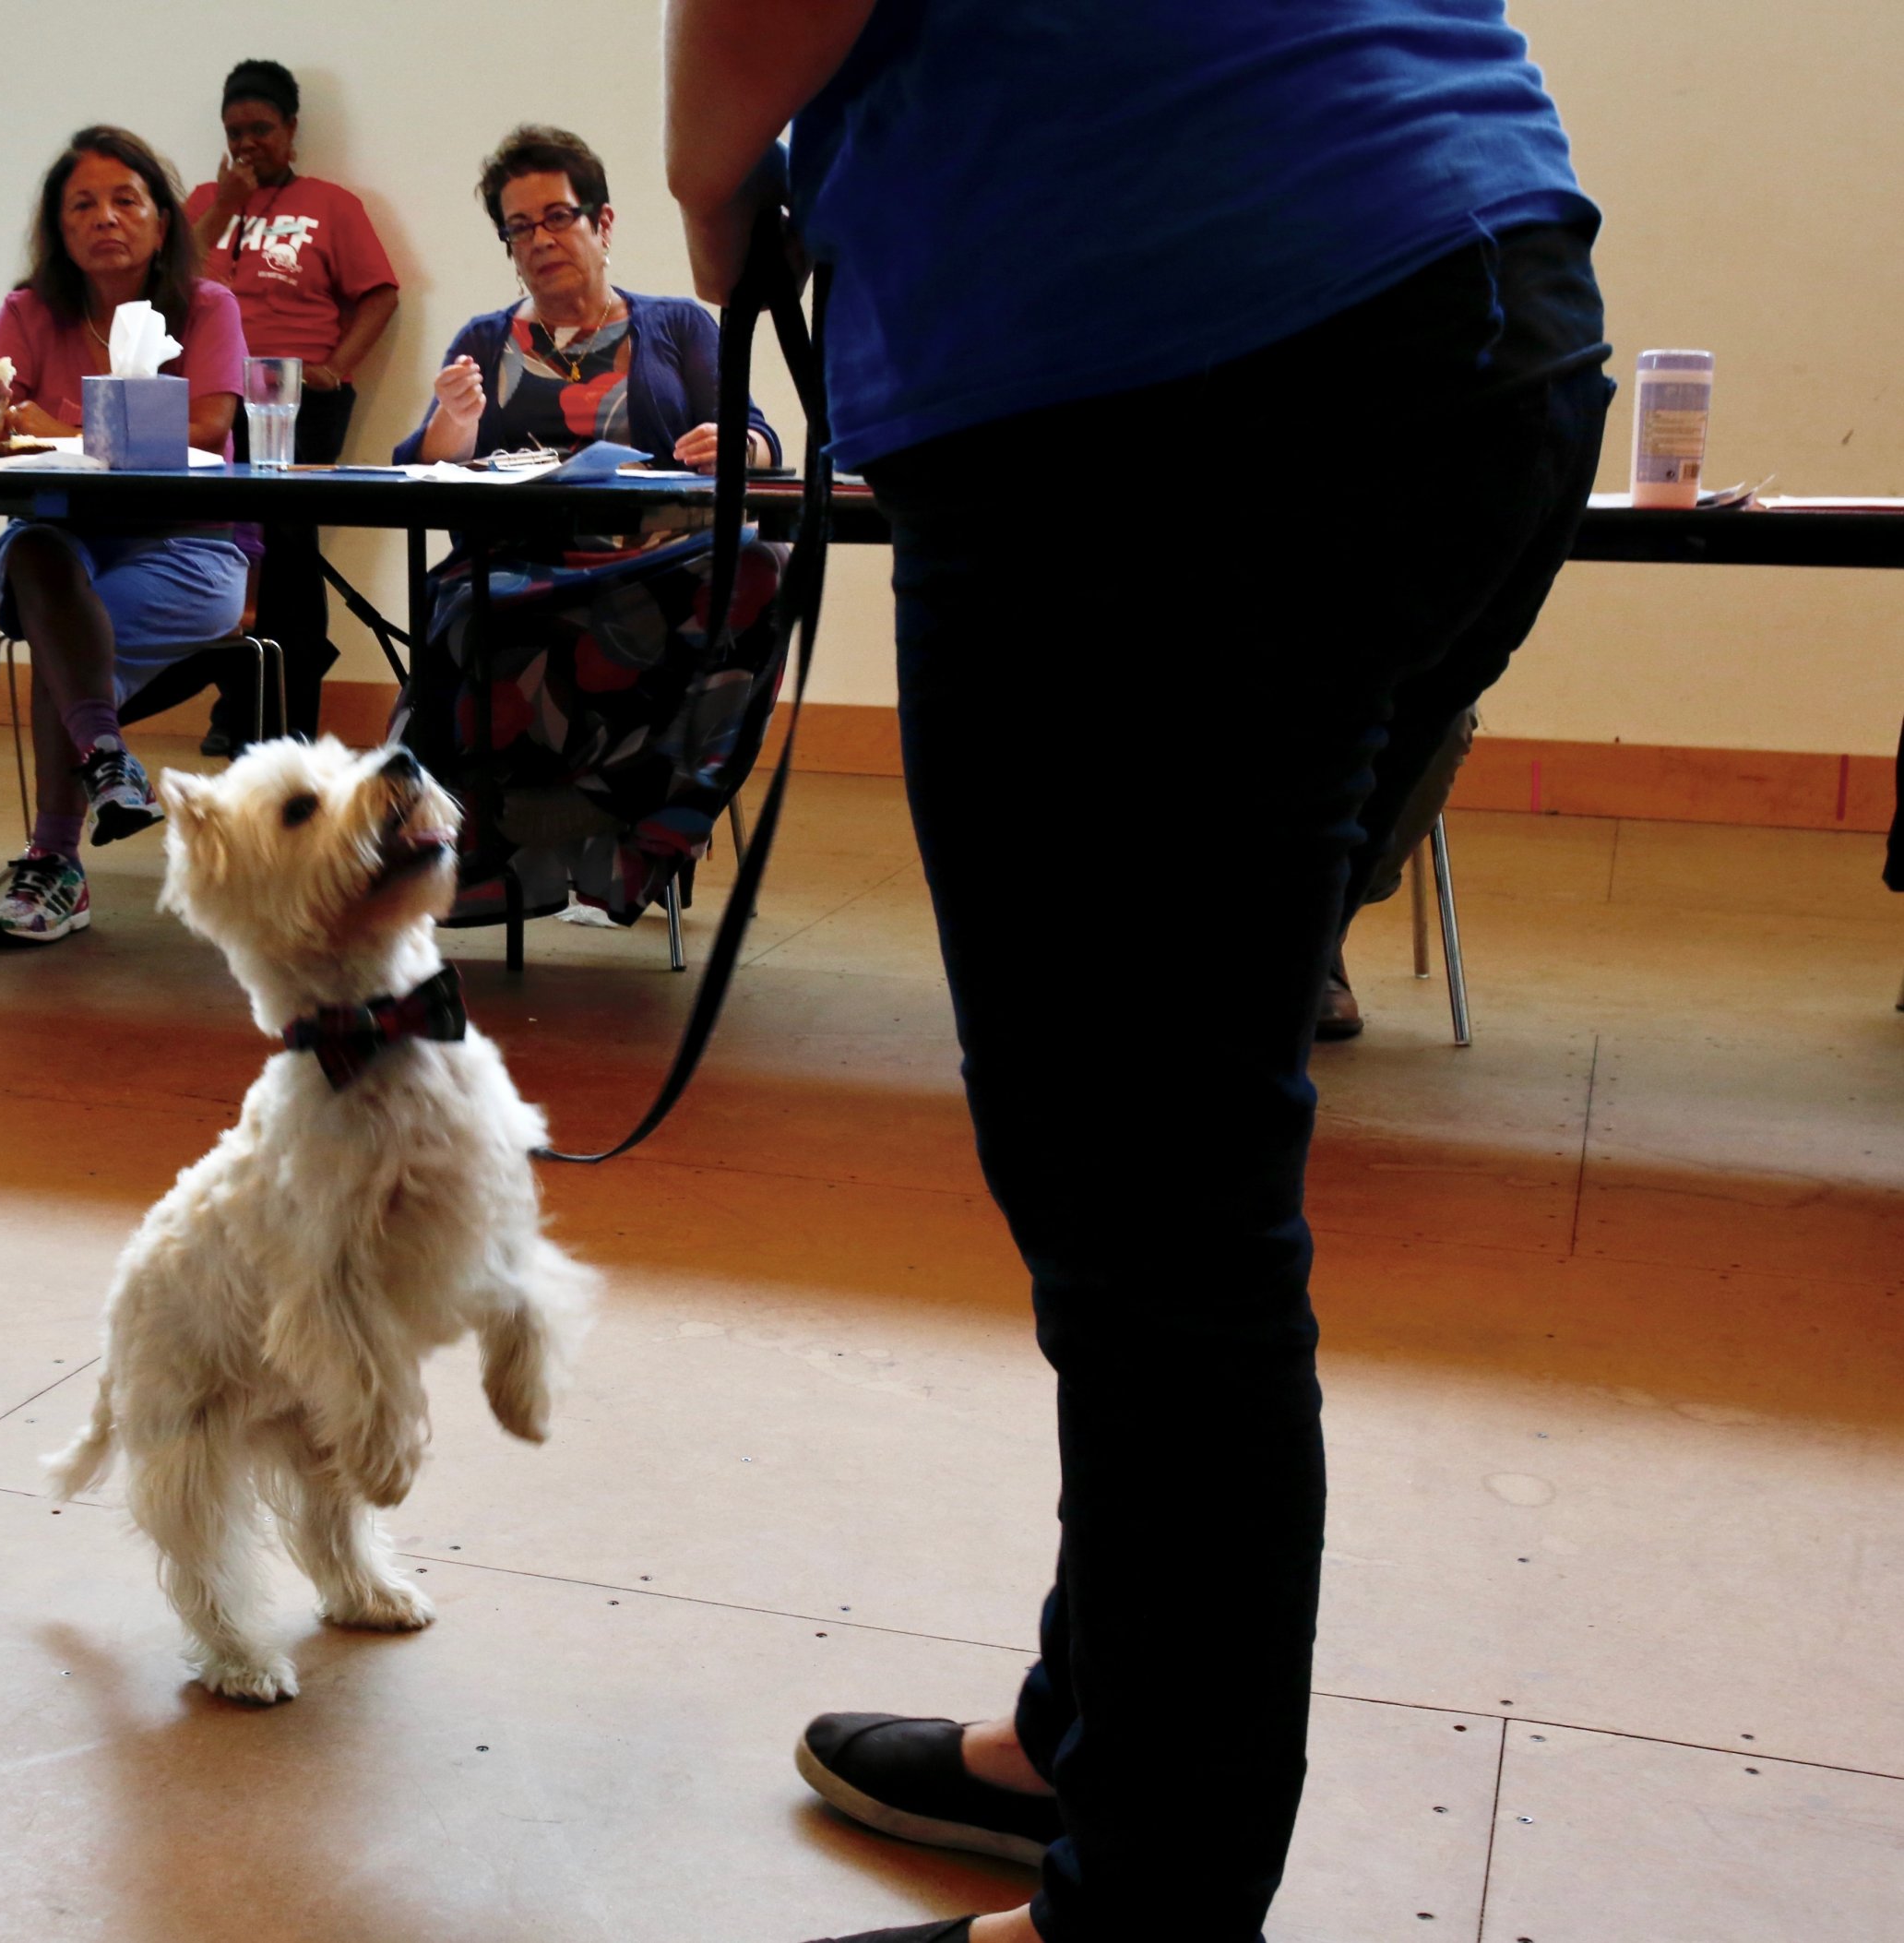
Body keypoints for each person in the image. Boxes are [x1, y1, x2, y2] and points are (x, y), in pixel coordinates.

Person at [664, 6, 1611, 1942]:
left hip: (1164, 370)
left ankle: (1147, 1913)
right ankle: (1092, 1736)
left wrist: (712, 185)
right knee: (1168, 1137)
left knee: (1158, 1219)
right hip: (1478, 300)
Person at [391, 125, 785, 925]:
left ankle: (647, 832)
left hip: (656, 566)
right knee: (460, 611)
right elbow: (424, 471)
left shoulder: (677, 327)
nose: (540, 240)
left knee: (765, 566)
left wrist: (734, 442)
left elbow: (760, 438)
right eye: (520, 228)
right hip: (519, 569)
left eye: (557, 217)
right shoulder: (485, 341)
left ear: (602, 225)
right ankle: (501, 847)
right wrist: (454, 429)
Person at [0, 125, 250, 948]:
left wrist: (58, 424)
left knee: (61, 641)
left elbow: (208, 424)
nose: (105, 218)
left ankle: (54, 864)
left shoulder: (209, 307)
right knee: (40, 555)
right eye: (82, 204)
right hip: (64, 543)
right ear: (59, 227)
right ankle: (108, 762)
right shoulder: (27, 311)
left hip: (185, 549)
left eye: (126, 201)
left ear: (162, 221)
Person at [175, 58, 401, 751]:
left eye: (262, 129)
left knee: (288, 553)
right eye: (235, 131)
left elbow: (381, 293)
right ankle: (236, 702)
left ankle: (289, 713)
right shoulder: (202, 204)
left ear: (292, 129)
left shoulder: (332, 205)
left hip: (297, 400)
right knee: (213, 548)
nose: (248, 143)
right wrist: (223, 205)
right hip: (213, 398)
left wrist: (337, 367)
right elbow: (170, 284)